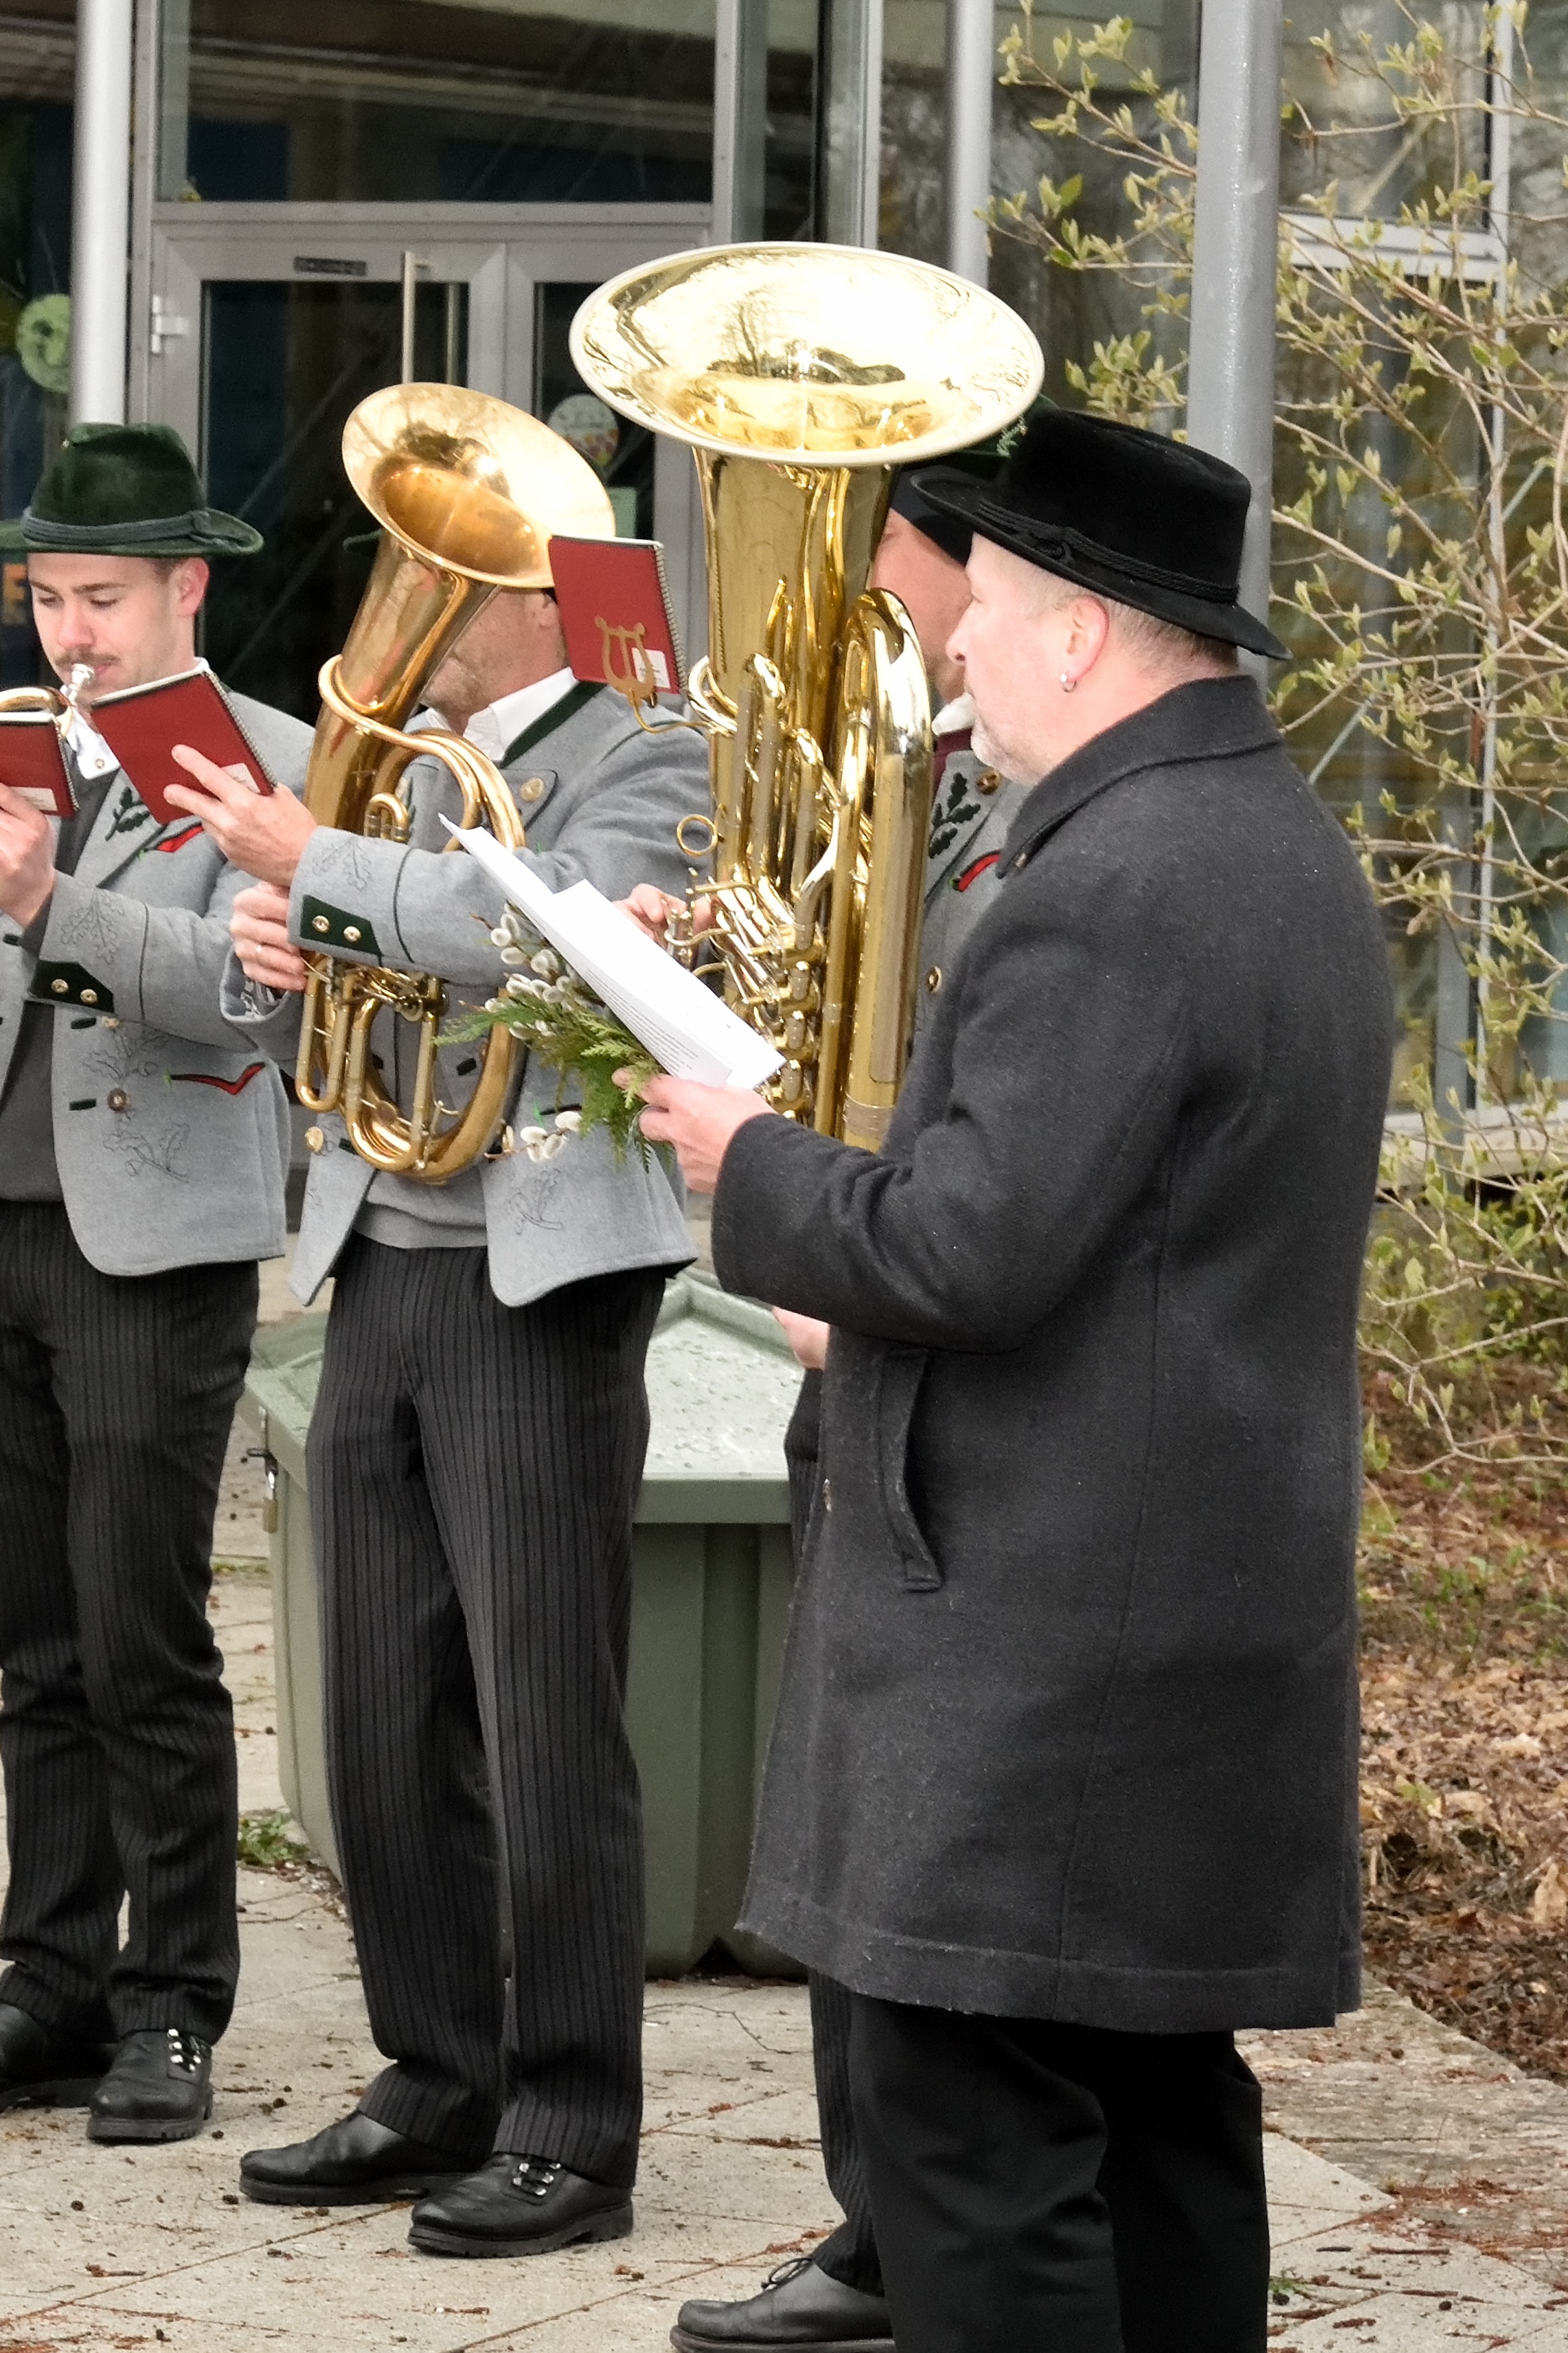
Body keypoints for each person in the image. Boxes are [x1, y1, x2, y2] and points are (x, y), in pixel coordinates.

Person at [637, 409, 1390, 2351]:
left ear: (1073, 628)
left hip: (1044, 1650)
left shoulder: (1117, 878)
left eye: (973, 612)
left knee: (977, 2155)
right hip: (1179, 1615)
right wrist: (842, 1266)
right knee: (1159, 2133)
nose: (949, 655)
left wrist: (749, 1161)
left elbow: (970, 1246)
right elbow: (1109, 1244)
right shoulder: (1271, 841)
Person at [179, 581, 712, 2258]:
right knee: (384, 1709)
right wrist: (279, 948)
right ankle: (433, 2074)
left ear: (535, 606)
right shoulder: (403, 768)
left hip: (538, 1273)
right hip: (383, 1253)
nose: (398, 619)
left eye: (442, 587)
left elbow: (547, 928)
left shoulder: (655, 749)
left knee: (542, 1715)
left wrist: (311, 869)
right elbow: (336, 995)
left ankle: (573, 2125)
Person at [0, 424, 310, 2148]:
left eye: (101, 597)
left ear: (187, 588)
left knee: (142, 1636)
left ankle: (175, 2003)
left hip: (156, 1248)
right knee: (32, 1640)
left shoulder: (269, 766)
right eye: (46, 599)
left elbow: (254, 1005)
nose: (70, 634)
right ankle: (50, 1983)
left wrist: (51, 895)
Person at [668, 447, 1014, 2353]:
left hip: (903, 1322)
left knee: (890, 1814)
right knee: (836, 1796)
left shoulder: (1012, 808)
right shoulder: (922, 781)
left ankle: (901, 2231)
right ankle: (869, 2210)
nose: (854, 609)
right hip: (854, 1310)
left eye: (877, 565)